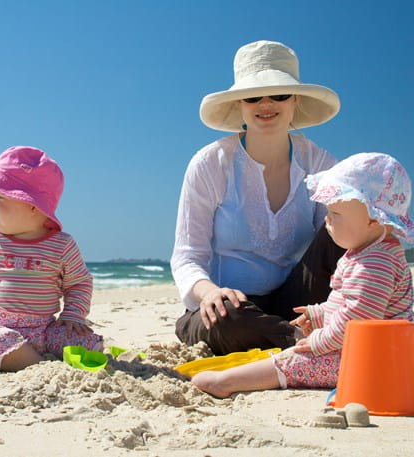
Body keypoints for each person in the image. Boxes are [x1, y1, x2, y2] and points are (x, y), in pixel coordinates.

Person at [171, 40, 345, 355]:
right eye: (253, 96)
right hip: (231, 308)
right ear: (240, 105)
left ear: (295, 101)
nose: (266, 103)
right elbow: (187, 257)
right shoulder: (210, 164)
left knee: (345, 225)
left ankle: (345, 327)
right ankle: (309, 343)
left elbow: (337, 246)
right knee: (228, 319)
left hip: (298, 303)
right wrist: (210, 292)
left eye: (278, 94)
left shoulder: (320, 164)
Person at [191, 152, 414, 397]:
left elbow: (359, 317)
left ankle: (226, 382)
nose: (327, 219)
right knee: (297, 353)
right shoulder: (369, 251)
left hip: (376, 360)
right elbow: (347, 303)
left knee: (297, 361)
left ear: (373, 219)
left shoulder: (375, 262)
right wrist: (318, 314)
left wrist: (320, 342)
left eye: (335, 214)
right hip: (373, 351)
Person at [0, 146, 103, 372]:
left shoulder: (61, 244)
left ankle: (35, 358)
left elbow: (78, 282)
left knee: (89, 343)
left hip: (46, 329)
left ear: (33, 205)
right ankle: (40, 366)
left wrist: (73, 314)